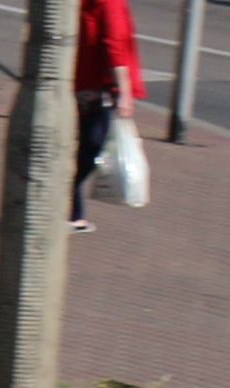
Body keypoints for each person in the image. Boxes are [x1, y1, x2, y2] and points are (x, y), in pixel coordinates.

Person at [73, 0, 147, 232]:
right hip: (101, 89)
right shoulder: (111, 2)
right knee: (93, 149)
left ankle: (74, 213)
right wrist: (124, 92)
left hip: (83, 82)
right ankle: (65, 206)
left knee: (86, 148)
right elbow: (115, 48)